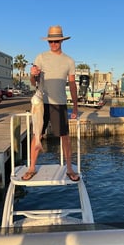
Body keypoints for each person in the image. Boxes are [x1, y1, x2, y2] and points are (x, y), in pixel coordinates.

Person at [22, 25, 80, 182]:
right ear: (48, 42)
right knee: (37, 135)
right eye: (51, 41)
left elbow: (73, 85)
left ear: (61, 41)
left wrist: (75, 107)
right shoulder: (40, 57)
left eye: (56, 41)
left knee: (65, 137)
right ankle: (32, 168)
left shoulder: (69, 61)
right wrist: (32, 75)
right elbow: (34, 81)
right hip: (41, 103)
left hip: (60, 103)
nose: (53, 44)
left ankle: (69, 169)